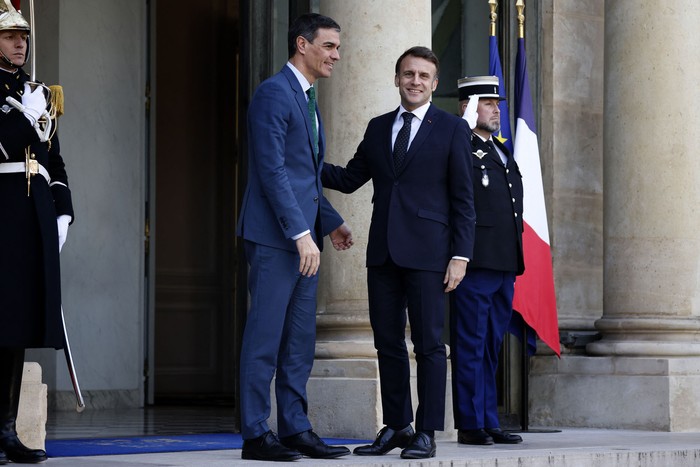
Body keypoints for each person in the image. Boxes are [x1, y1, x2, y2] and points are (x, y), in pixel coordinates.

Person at [322, 46, 475, 459]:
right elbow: (350, 178)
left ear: (434, 84)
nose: (415, 81)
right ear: (397, 79)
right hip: (383, 253)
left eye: (424, 76)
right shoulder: (377, 128)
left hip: (431, 255)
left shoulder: (452, 129)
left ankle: (426, 431)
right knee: (386, 343)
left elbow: (464, 199)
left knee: (428, 345)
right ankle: (397, 426)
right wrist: (305, 159)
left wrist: (460, 255)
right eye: (408, 74)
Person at [236, 13, 353, 462]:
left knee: (299, 341)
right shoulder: (272, 94)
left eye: (338, 48)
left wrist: (329, 220)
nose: (336, 56)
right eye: (329, 46)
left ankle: (295, 428)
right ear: (302, 45)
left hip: (304, 239)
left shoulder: (307, 98)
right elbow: (272, 172)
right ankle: (254, 434)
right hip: (274, 239)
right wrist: (302, 233)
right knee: (264, 338)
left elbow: (304, 176)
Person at [0, 1, 73, 464]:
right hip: (2, 212)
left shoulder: (38, 92)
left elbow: (54, 159)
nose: (20, 43)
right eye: (10, 36)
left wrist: (64, 209)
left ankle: (5, 428)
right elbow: (9, 142)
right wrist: (22, 116)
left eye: (23, 36)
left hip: (32, 218)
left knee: (17, 325)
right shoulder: (16, 97)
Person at [450, 75, 524, 445]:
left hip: (504, 264)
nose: (497, 109)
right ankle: (469, 422)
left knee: (491, 345)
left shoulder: (499, 149)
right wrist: (462, 127)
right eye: (488, 102)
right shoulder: (460, 144)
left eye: (498, 103)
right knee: (471, 344)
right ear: (467, 107)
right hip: (475, 263)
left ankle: (489, 418)